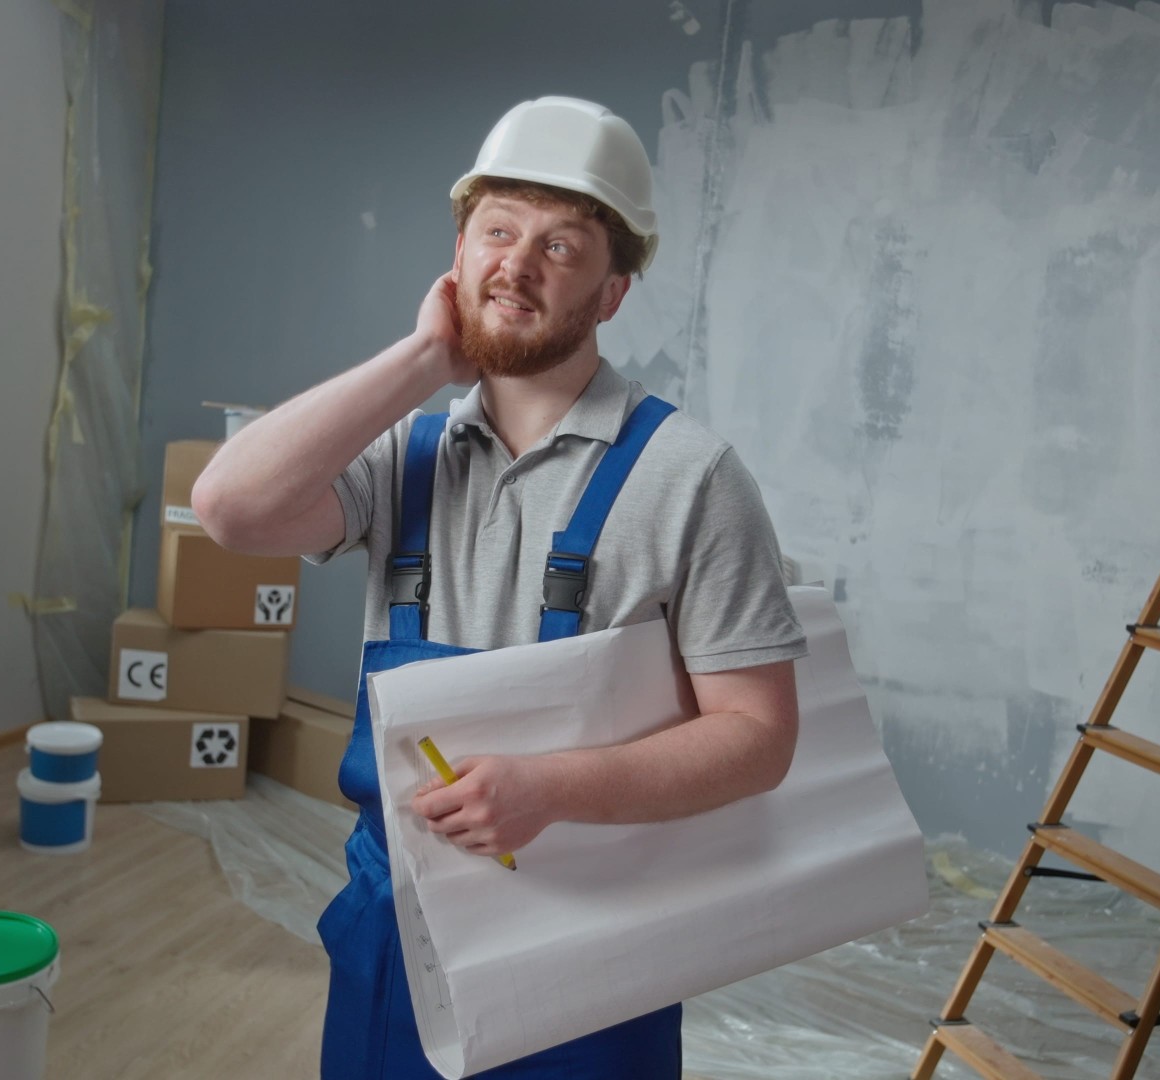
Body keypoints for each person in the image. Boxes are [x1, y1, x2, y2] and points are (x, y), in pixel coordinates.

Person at [193, 95, 806, 1080]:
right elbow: (230, 508)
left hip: (598, 949)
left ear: (613, 292)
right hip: (399, 926)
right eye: (498, 231)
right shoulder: (406, 451)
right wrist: (424, 361)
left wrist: (547, 790)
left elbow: (759, 737)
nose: (518, 264)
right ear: (460, 251)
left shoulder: (693, 477)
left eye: (562, 246)